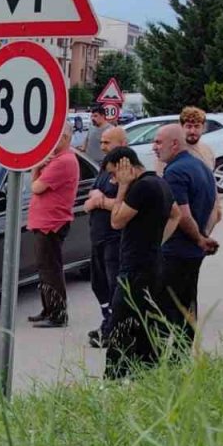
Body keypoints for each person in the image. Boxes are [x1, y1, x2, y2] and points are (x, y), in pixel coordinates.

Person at [101, 146, 180, 379]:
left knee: (120, 323)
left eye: (114, 174)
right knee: (144, 323)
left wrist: (123, 187)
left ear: (126, 165)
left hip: (135, 268)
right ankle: (146, 372)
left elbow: (116, 221)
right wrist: (157, 242)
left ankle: (114, 376)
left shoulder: (141, 187)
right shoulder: (160, 183)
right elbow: (175, 214)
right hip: (152, 262)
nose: (113, 180)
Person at [153, 124, 220, 350]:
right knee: (188, 303)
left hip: (177, 251)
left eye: (158, 142)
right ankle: (183, 353)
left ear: (174, 143)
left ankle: (166, 359)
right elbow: (215, 209)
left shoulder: (175, 172)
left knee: (165, 306)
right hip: (193, 252)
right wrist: (205, 236)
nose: (154, 147)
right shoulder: (200, 166)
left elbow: (181, 214)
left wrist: (199, 239)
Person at [27, 126, 80, 329]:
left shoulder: (64, 161)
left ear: (65, 137)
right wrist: (39, 168)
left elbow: (36, 187)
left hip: (52, 223)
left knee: (51, 269)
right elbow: (36, 187)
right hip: (44, 221)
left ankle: (57, 314)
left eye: (54, 138)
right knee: (44, 268)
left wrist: (36, 167)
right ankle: (48, 309)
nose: (49, 143)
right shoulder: (58, 160)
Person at [83, 126, 128, 347]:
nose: (102, 147)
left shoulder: (125, 171)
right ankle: (107, 322)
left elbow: (127, 206)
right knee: (97, 284)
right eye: (101, 142)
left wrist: (101, 201)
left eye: (107, 142)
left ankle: (114, 330)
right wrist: (97, 199)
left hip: (115, 240)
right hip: (97, 238)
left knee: (114, 286)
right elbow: (89, 199)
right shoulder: (104, 168)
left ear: (122, 144)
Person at [179, 106, 222, 234]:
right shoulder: (175, 150)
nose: (192, 131)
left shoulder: (207, 150)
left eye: (197, 126)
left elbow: (211, 181)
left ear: (203, 128)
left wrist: (217, 209)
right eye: (188, 126)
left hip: (208, 212)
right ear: (181, 127)